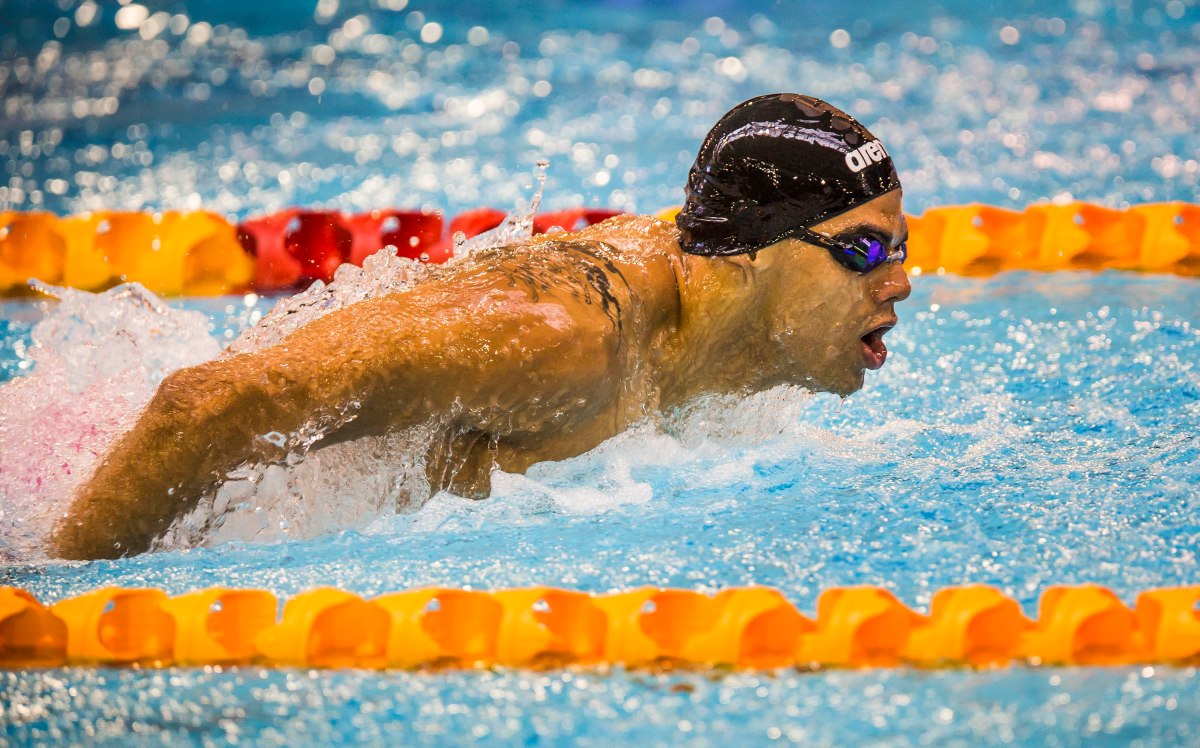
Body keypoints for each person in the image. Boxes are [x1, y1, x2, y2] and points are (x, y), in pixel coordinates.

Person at [52, 93, 911, 560]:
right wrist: (60, 595)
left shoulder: (735, 337)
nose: (898, 282)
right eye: (864, 250)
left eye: (903, 249)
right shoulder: (563, 335)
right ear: (750, 252)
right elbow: (210, 405)